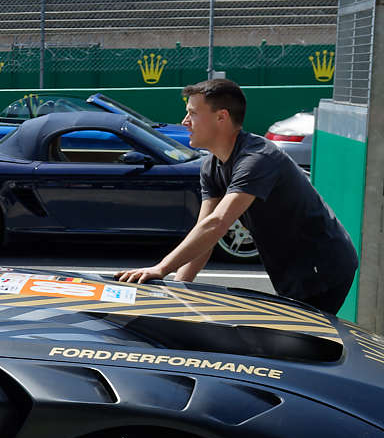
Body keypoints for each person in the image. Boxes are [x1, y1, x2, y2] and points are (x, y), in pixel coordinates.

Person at [116, 79, 358, 314]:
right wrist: (179, 289)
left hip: (325, 267)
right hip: (292, 270)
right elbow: (205, 232)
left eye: (193, 113)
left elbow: (217, 224)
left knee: (302, 346)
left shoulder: (257, 159)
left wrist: (161, 269)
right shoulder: (211, 166)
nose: (185, 121)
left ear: (221, 117)